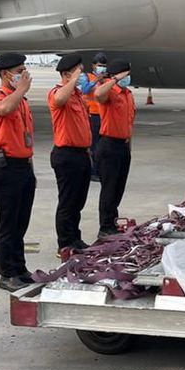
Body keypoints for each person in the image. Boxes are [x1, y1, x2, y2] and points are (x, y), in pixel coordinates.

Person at [0, 53, 37, 292]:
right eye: (19, 70)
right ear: (6, 74)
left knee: (20, 222)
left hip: (24, 166)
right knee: (7, 224)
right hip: (6, 168)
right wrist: (21, 89)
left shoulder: (22, 100)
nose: (23, 74)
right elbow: (3, 109)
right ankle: (6, 273)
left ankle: (19, 267)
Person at [47, 54, 92, 253]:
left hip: (82, 154)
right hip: (66, 155)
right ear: (66, 74)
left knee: (78, 201)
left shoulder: (78, 96)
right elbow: (59, 100)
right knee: (68, 201)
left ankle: (75, 238)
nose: (83, 75)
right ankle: (65, 243)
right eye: (78, 71)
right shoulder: (58, 92)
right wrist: (72, 80)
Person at [94, 60, 135, 239]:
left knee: (118, 188)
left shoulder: (128, 94)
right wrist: (115, 79)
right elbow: (98, 94)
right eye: (126, 74)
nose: (128, 78)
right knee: (109, 189)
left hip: (123, 146)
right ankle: (105, 226)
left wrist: (129, 147)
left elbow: (129, 123)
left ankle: (112, 220)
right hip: (109, 145)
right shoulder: (109, 91)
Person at [83, 53, 106, 181]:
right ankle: (93, 171)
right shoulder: (87, 77)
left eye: (103, 66)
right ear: (93, 66)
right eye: (99, 66)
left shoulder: (107, 78)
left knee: (102, 144)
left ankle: (100, 169)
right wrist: (96, 80)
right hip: (92, 114)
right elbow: (84, 90)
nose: (101, 68)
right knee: (94, 144)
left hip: (103, 114)